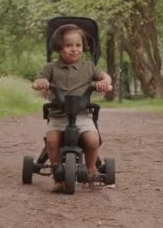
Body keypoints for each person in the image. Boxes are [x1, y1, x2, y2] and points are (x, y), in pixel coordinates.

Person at [33, 24, 112, 192]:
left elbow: (105, 76)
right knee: (52, 141)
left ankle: (91, 170)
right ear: (59, 47)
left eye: (78, 45)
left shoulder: (89, 67)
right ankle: (58, 176)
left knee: (92, 140)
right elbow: (37, 81)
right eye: (68, 46)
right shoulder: (51, 68)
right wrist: (41, 83)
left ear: (83, 47)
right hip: (58, 115)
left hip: (82, 115)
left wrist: (105, 82)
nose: (74, 49)